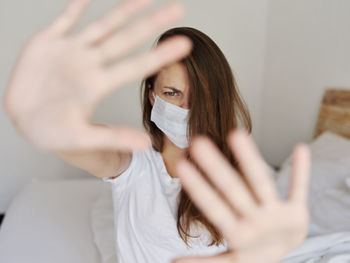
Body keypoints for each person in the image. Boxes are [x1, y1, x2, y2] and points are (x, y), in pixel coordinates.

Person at [3, 0, 311, 262]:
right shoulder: (134, 161)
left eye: (198, 97)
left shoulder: (241, 175)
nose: (187, 109)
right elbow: (89, 148)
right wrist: (47, 124)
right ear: (152, 96)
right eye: (172, 93)